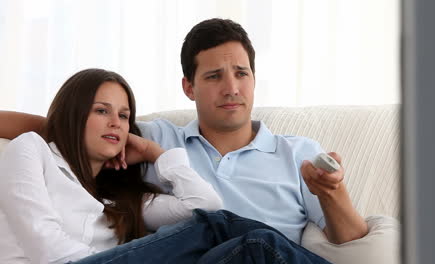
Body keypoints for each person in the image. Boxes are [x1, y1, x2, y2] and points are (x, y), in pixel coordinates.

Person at [0, 18, 368, 247]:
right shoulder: (157, 139)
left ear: (254, 80)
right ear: (188, 87)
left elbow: (350, 237)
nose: (231, 88)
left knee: (256, 241)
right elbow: (75, 127)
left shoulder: (298, 153)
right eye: (213, 76)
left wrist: (333, 191)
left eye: (241, 73)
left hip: (265, 257)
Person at [0, 69, 333, 264]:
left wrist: (154, 152)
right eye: (102, 111)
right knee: (216, 227)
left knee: (258, 245)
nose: (116, 123)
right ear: (74, 114)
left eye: (124, 116)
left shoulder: (120, 200)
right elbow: (46, 247)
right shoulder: (31, 151)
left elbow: (205, 204)